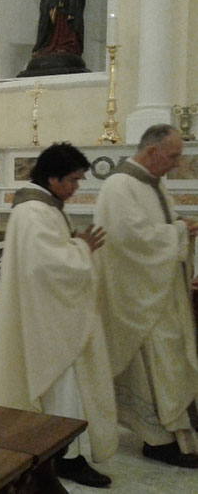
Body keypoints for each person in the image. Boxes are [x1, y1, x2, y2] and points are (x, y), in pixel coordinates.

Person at [0, 143, 116, 488]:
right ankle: (64, 457)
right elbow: (47, 266)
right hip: (47, 321)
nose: (77, 187)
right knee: (62, 389)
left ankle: (64, 452)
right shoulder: (33, 212)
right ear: (53, 177)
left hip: (52, 313)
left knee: (67, 390)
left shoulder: (45, 207)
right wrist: (81, 249)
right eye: (73, 180)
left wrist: (73, 245)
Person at [95, 124, 198, 468]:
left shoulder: (152, 185)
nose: (176, 164)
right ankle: (158, 440)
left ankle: (176, 432)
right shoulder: (119, 186)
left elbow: (155, 233)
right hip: (140, 301)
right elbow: (129, 239)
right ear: (152, 152)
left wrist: (180, 229)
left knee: (172, 363)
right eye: (172, 156)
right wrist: (179, 232)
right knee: (160, 366)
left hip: (161, 294)